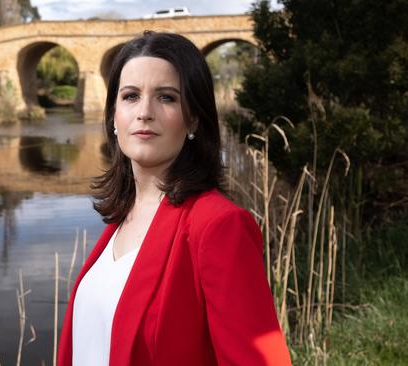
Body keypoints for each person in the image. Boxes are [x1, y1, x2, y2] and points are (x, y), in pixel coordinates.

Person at [57, 31, 292, 366]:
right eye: (130, 96)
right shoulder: (122, 218)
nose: (145, 112)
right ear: (113, 118)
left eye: (166, 98)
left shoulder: (219, 227)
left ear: (194, 118)